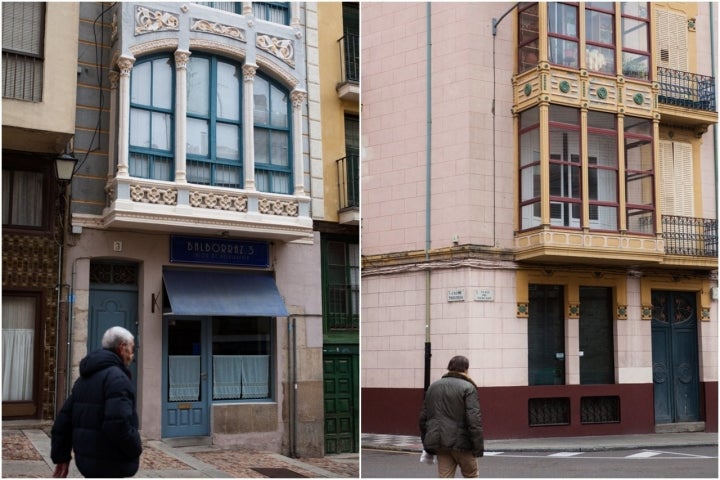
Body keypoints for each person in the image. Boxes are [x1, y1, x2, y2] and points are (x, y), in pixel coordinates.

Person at [51, 326, 142, 478]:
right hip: (112, 464)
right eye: (131, 349)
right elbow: (117, 423)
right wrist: (135, 446)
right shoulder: (118, 379)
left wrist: (61, 457)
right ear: (122, 347)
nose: (132, 356)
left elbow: (63, 421)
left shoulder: (84, 379)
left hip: (88, 464)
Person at [419, 355, 484, 478]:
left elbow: (423, 418)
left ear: (449, 368)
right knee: (471, 475)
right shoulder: (468, 388)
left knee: (445, 477)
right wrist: (478, 447)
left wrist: (427, 443)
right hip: (463, 444)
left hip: (440, 443)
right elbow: (474, 419)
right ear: (466, 369)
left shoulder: (433, 387)